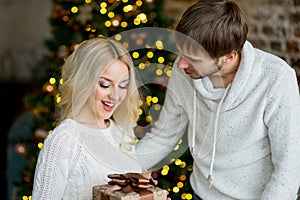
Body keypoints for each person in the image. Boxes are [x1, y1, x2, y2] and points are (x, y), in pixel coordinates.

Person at [135, 0, 300, 199]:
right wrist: (114, 167)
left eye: (193, 59)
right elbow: (163, 137)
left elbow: (288, 171)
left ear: (229, 57)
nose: (180, 64)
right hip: (199, 194)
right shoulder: (184, 73)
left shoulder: (276, 79)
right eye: (181, 53)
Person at [32, 37, 143, 199]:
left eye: (123, 85)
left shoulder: (123, 134)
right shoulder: (62, 142)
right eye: (105, 84)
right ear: (82, 81)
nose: (116, 96)